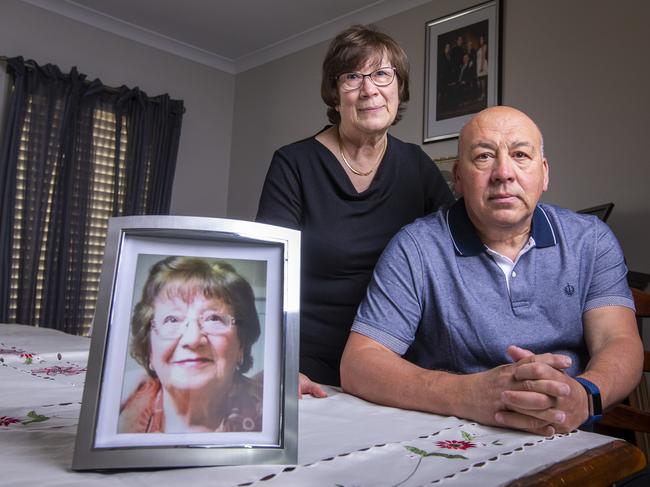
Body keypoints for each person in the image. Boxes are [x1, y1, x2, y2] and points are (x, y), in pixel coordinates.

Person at [341, 106, 643, 436]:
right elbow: (360, 364)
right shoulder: (415, 247)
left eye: (520, 155)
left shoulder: (591, 240)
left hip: (569, 432)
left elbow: (618, 341)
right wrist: (468, 393)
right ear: (457, 177)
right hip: (454, 436)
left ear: (544, 174)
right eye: (484, 156)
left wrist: (584, 397)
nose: (503, 172)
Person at [256, 24, 454, 390]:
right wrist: (278, 364)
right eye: (352, 77)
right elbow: (266, 275)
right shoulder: (294, 164)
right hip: (307, 366)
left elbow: (455, 253)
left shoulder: (418, 167)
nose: (369, 89)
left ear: (400, 87)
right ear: (334, 94)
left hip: (394, 364)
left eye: (381, 74)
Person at [118, 257, 263, 433]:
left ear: (242, 344)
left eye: (213, 318)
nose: (192, 339)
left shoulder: (271, 415)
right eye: (172, 319)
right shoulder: (118, 409)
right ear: (149, 349)